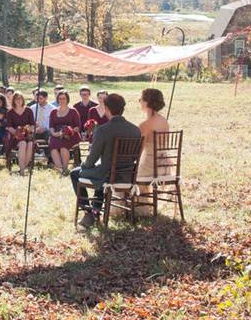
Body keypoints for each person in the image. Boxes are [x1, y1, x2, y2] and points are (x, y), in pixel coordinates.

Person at [70, 93, 141, 228]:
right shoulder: (135, 130)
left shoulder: (103, 130)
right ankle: (96, 211)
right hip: (127, 175)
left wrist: (84, 165)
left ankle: (88, 211)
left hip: (107, 175)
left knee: (75, 173)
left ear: (107, 108)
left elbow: (93, 158)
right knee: (101, 170)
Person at [135, 88, 170, 215]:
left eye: (141, 99)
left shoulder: (145, 125)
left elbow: (138, 151)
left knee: (126, 172)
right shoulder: (164, 121)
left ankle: (139, 208)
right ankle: (143, 207)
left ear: (147, 103)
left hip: (150, 166)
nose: (139, 102)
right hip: (165, 165)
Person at [49, 90, 82, 175]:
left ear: (67, 99)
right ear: (57, 99)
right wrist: (54, 133)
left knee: (63, 146)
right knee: (53, 145)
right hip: (57, 134)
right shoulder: (53, 111)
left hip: (71, 135)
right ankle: (61, 169)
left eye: (64, 98)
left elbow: (77, 127)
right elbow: (51, 126)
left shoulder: (73, 111)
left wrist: (69, 131)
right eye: (60, 98)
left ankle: (65, 168)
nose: (62, 100)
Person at [6, 92, 36, 174]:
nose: (19, 100)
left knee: (30, 144)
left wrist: (27, 129)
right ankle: (22, 170)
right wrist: (18, 133)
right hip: (16, 137)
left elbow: (33, 125)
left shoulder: (28, 110)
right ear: (13, 101)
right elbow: (9, 127)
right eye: (16, 99)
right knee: (22, 143)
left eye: (20, 98)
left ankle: (23, 168)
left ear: (23, 99)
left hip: (28, 135)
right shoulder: (10, 112)